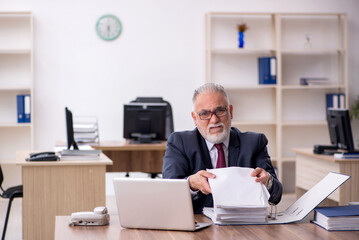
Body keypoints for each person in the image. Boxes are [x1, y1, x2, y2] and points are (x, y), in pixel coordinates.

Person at [162, 83, 282, 214]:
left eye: (220, 111)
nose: (214, 120)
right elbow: (169, 191)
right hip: (198, 223)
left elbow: (277, 196)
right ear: (195, 118)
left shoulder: (254, 142)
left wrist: (268, 182)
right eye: (204, 113)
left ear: (230, 112)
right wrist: (190, 183)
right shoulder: (180, 143)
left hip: (243, 223)